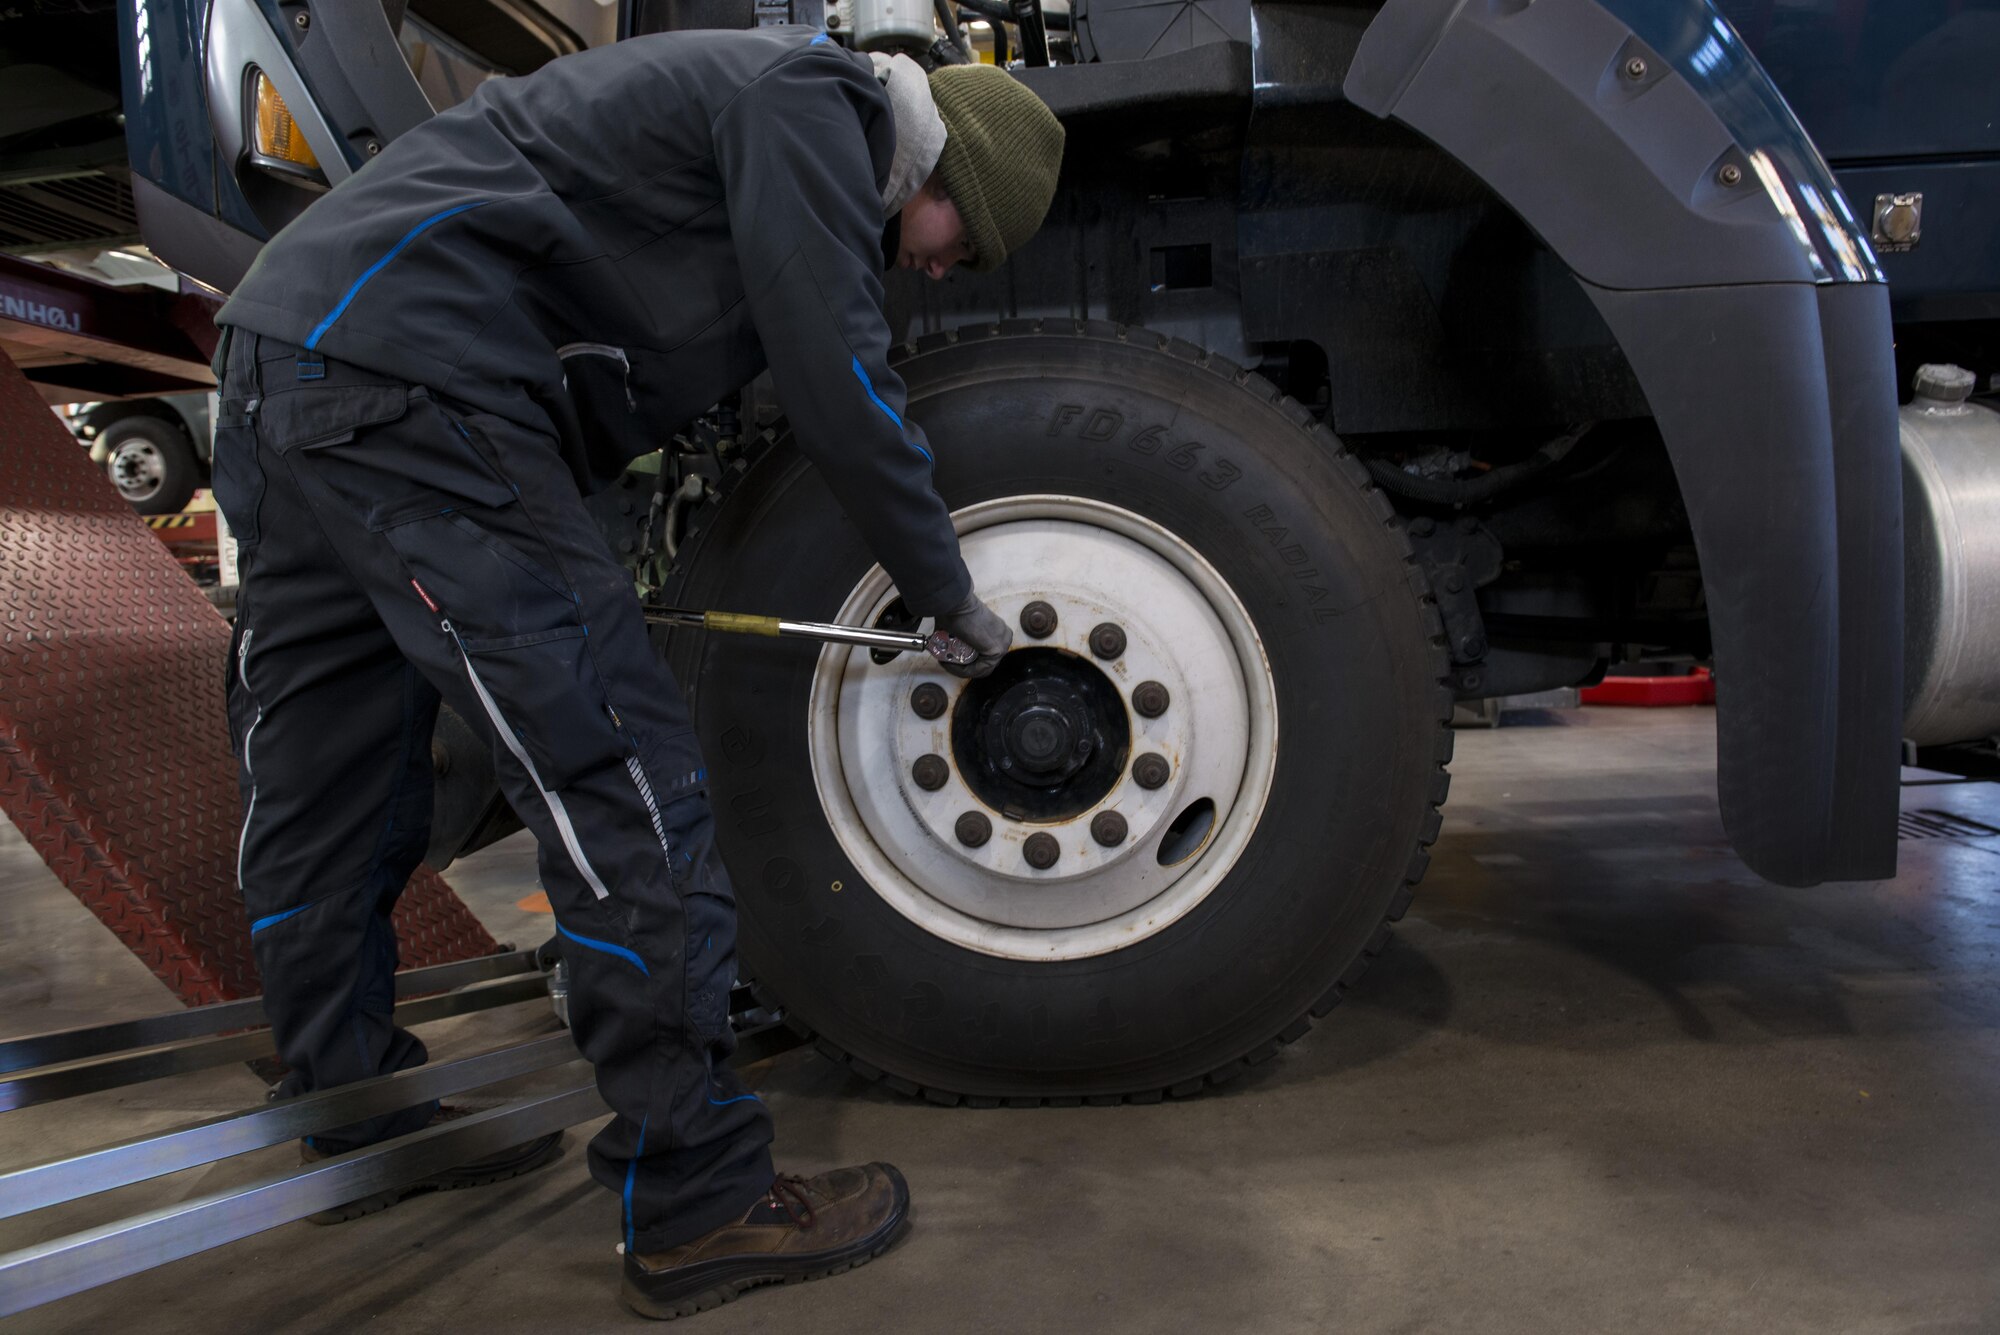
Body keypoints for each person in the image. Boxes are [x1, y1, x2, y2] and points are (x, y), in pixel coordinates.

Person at [207, 27, 1064, 1320]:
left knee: (333, 761)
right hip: (413, 377)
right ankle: (702, 1196)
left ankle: (349, 1102)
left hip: (288, 354)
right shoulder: (817, 107)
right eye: (962, 239)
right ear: (946, 170)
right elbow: (841, 375)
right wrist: (945, 594)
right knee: (619, 767)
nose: (938, 267)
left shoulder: (751, 110)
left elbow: (611, 359)